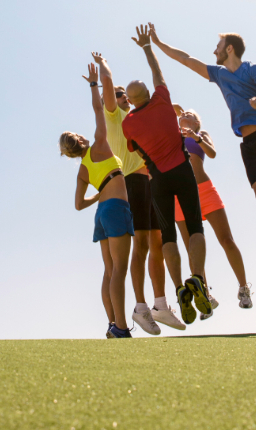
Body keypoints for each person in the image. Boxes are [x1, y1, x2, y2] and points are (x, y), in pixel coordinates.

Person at [149, 23, 256, 281]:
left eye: (218, 46)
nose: (214, 50)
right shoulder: (218, 74)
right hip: (248, 142)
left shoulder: (252, 68)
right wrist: (159, 44)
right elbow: (186, 60)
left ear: (229, 48)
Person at [121, 25, 213, 324]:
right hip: (183, 171)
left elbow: (134, 151)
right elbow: (157, 71)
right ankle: (197, 277)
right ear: (147, 92)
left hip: (157, 180)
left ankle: (178, 289)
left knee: (168, 236)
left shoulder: (129, 124)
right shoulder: (161, 98)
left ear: (131, 101)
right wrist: (148, 47)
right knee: (196, 228)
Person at [92, 52, 186, 333]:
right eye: (119, 95)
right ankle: (140, 307)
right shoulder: (114, 117)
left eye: (125, 95)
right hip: (131, 181)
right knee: (141, 246)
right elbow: (108, 83)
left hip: (149, 181)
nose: (122, 97)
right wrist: (103, 65)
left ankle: (160, 304)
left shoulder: (136, 118)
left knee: (158, 242)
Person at [58, 61, 134, 339]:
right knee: (119, 271)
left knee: (109, 271)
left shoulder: (83, 169)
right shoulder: (100, 143)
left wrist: (99, 195)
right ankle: (122, 327)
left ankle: (112, 324)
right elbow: (97, 109)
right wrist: (94, 84)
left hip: (101, 214)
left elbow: (78, 204)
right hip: (116, 209)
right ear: (80, 140)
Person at [171, 105, 252, 319]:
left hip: (205, 191)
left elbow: (212, 153)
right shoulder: (173, 134)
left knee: (227, 240)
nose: (186, 115)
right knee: (191, 248)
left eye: (191, 115)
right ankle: (204, 295)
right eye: (184, 114)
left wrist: (195, 136)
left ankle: (244, 288)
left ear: (197, 123)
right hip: (180, 197)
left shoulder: (201, 135)